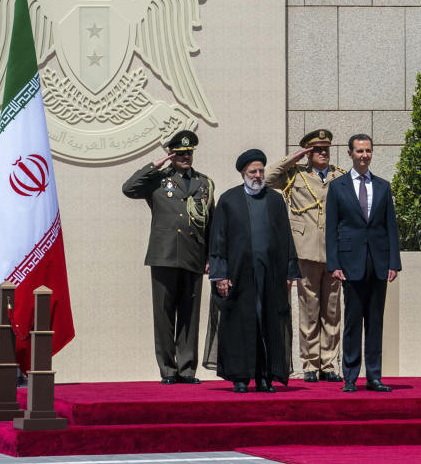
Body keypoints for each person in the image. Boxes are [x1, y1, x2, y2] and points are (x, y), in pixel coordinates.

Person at [122, 130, 214, 385]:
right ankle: (168, 369)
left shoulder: (204, 183)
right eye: (180, 154)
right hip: (164, 255)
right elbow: (128, 188)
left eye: (189, 153)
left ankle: (187, 369)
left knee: (189, 314)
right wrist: (155, 165)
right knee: (163, 315)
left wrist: (209, 257)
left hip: (194, 255)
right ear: (172, 155)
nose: (186, 157)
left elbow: (211, 222)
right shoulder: (158, 180)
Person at [208, 149, 300, 393]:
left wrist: (289, 273)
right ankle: (240, 376)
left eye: (260, 170)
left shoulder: (275, 200)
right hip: (238, 277)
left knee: (266, 323)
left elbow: (286, 238)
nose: (258, 175)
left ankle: (264, 376)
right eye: (253, 171)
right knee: (240, 324)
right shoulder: (229, 200)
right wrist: (220, 275)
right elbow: (218, 240)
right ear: (242, 173)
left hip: (269, 276)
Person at [265, 129, 347, 383]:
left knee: (332, 311)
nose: (323, 153)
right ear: (308, 152)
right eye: (316, 149)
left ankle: (329, 364)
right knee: (309, 310)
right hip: (306, 251)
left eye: (325, 148)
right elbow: (268, 178)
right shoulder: (295, 174)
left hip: (333, 252)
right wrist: (295, 157)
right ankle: (310, 363)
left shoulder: (340, 176)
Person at [325, 134, 401, 392]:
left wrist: (394, 262)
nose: (364, 155)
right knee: (353, 321)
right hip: (350, 264)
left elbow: (391, 227)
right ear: (350, 154)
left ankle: (374, 376)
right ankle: (350, 376)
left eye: (368, 151)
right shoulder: (338, 187)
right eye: (359, 151)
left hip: (378, 263)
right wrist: (333, 263)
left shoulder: (382, 186)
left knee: (375, 322)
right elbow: (331, 229)